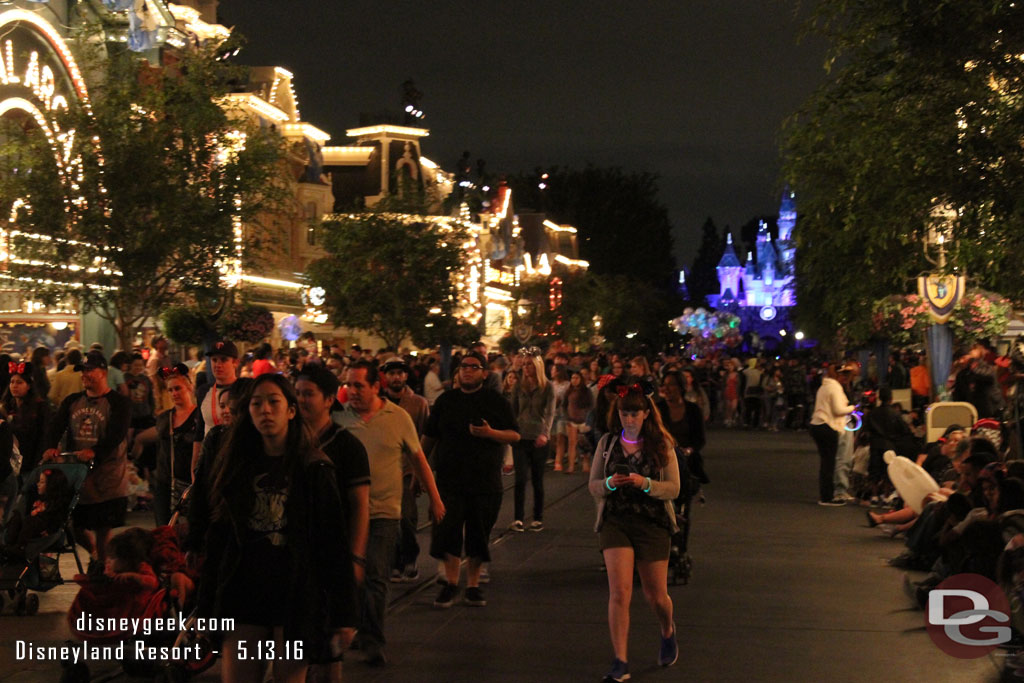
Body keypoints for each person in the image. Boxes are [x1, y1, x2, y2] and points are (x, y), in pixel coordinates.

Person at [197, 374, 356, 682]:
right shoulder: (236, 468)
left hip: (295, 599)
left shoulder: (314, 468)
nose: (265, 410)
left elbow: (333, 544)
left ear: (291, 410)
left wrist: (344, 614)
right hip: (244, 597)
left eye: (274, 402)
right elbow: (219, 540)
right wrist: (205, 607)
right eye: (257, 404)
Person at [334, 360, 445, 667]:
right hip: (348, 512)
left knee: (376, 576)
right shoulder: (339, 419)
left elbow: (419, 458)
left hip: (384, 511)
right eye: (348, 385)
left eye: (358, 385)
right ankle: (353, 627)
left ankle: (372, 640)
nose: (352, 391)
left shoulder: (398, 418)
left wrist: (435, 498)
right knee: (349, 576)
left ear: (375, 386)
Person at [589, 383, 681, 682]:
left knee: (656, 596)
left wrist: (645, 483)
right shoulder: (607, 443)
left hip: (652, 523)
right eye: (624, 413)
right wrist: (610, 483)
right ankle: (620, 661)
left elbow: (674, 488)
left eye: (634, 414)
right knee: (620, 592)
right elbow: (592, 486)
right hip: (616, 521)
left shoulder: (661, 445)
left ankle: (667, 629)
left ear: (645, 414)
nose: (629, 419)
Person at [423, 352, 519, 608]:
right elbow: (429, 437)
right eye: (463, 367)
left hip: (485, 481)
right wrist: (419, 470)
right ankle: (452, 583)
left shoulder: (495, 401)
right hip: (449, 479)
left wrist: (490, 433)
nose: (467, 371)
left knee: (478, 534)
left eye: (474, 367)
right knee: (448, 532)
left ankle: (473, 585)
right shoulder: (446, 401)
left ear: (484, 373)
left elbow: (514, 435)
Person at [43, 350, 132, 571]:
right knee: (73, 524)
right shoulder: (73, 401)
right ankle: (95, 555)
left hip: (107, 476)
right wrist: (51, 446)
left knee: (103, 526)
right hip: (78, 474)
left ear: (103, 372)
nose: (85, 375)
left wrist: (95, 451)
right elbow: (56, 426)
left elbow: (116, 434)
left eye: (89, 370)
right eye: (82, 371)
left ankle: (101, 566)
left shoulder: (118, 403)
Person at [380, 357, 429, 583]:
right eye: (392, 374)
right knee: (388, 519)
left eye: (400, 373)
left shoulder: (418, 403)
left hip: (408, 468)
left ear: (406, 376)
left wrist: (421, 473)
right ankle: (395, 561)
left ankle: (410, 558)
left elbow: (424, 439)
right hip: (382, 470)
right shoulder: (377, 402)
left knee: (408, 517)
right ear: (385, 377)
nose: (396, 377)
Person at [132, 364, 198, 526]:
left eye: (178, 388)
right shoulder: (164, 419)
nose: (174, 393)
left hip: (189, 484)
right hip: (165, 484)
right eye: (170, 390)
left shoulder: (199, 417)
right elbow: (148, 440)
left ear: (189, 388)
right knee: (164, 530)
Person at [510, 354, 554, 532]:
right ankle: (518, 518)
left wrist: (545, 433)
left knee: (537, 479)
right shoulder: (518, 386)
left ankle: (537, 518)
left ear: (537, 366)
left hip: (539, 438)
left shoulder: (547, 387)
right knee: (520, 479)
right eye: (524, 364)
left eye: (529, 364)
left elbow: (550, 413)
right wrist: (511, 431)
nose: (526, 367)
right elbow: (512, 410)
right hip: (521, 437)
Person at [809, 363, 856, 506]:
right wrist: (853, 408)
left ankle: (826, 495)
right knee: (829, 462)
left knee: (826, 462)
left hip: (817, 425)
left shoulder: (824, 386)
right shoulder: (834, 388)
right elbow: (838, 410)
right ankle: (827, 497)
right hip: (827, 425)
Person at [192, 340, 239, 476]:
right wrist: (194, 468)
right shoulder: (203, 391)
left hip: (235, 461)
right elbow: (200, 431)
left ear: (235, 362)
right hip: (209, 461)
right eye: (214, 360)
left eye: (223, 360)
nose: (218, 364)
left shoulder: (245, 389)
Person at [2, 360, 51, 475]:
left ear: (28, 386)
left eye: (19, 382)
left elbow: (44, 435)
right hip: (9, 464)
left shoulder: (40, 407)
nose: (14, 386)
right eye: (12, 382)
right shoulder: (6, 407)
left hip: (31, 460)